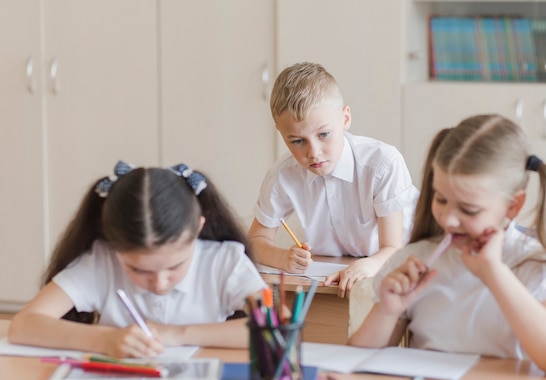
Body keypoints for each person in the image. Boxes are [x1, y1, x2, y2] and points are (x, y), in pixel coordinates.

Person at [348, 114, 546, 380]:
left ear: (513, 206)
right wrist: (387, 309)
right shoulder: (416, 259)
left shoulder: (530, 263)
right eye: (440, 199)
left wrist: (494, 273)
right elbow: (357, 363)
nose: (448, 219)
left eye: (468, 209)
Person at [8, 161, 268, 358]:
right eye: (138, 269)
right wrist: (106, 340)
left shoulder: (224, 262)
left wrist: (177, 335)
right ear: (113, 243)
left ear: (198, 229)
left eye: (175, 266)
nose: (159, 283)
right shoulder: (102, 263)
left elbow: (274, 326)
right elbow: (24, 325)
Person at [248, 62, 419, 297]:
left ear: (345, 118)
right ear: (280, 132)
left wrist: (368, 265)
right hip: (331, 275)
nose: (313, 152)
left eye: (323, 134)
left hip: (401, 261)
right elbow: (255, 241)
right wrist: (282, 257)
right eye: (297, 141)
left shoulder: (383, 163)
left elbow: (394, 247)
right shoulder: (282, 176)